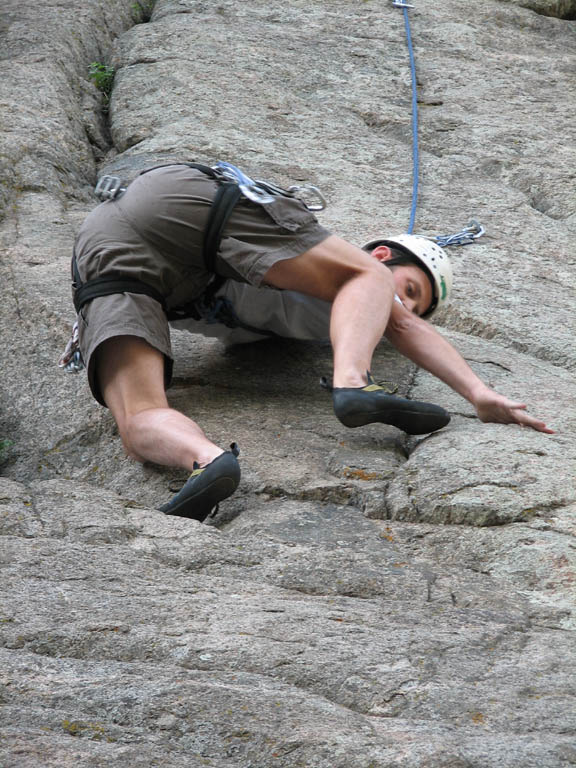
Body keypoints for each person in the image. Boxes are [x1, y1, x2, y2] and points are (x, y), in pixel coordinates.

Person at [66, 163, 553, 522]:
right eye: (407, 289)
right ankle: (352, 384)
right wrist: (478, 393)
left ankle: (207, 460)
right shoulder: (361, 271)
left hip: (109, 248)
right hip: (185, 209)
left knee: (138, 418)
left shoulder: (286, 315)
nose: (397, 308)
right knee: (367, 280)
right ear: (383, 252)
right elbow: (402, 321)